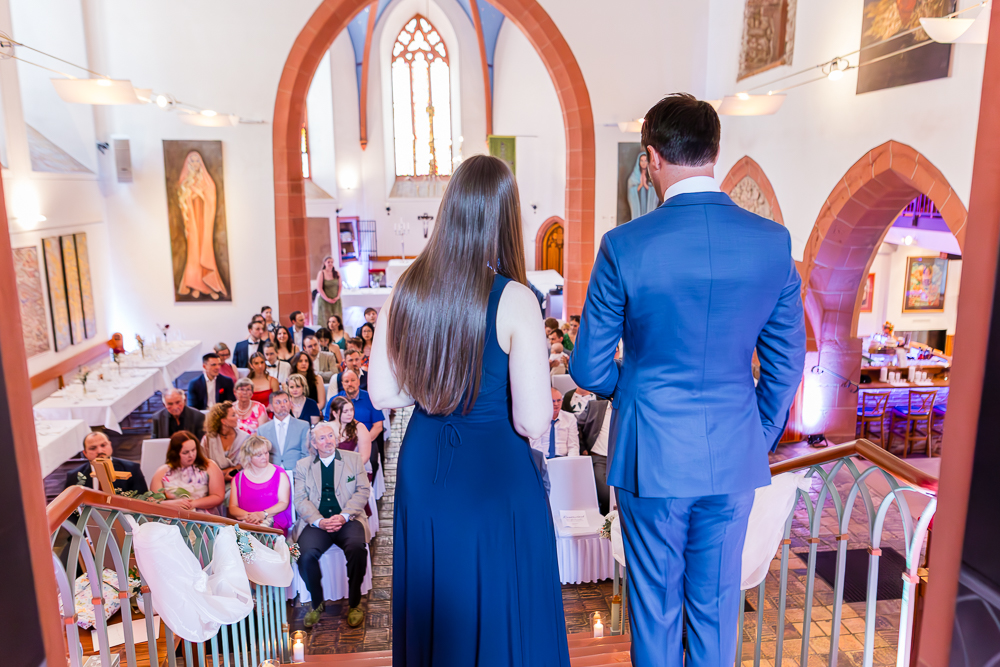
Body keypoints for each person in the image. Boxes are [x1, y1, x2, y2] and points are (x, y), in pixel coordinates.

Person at [570, 93, 806, 667]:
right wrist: (757, 431)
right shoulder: (772, 243)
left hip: (652, 457)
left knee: (655, 610)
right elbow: (786, 363)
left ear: (651, 158)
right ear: (714, 153)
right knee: (717, 607)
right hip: (732, 453)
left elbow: (589, 368)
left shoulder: (624, 246)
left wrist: (638, 390)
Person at [367, 154, 570, 665]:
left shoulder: (406, 289)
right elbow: (530, 420)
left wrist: (436, 390)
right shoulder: (516, 299)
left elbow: (384, 395)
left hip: (427, 465)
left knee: (439, 595)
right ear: (505, 217)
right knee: (502, 598)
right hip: (492, 470)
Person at [293, 422, 371, 629]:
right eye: (322, 438)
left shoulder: (353, 459)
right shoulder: (303, 466)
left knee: (357, 548)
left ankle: (355, 603)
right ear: (313, 443)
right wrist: (319, 521)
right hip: (318, 522)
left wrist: (344, 516)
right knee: (303, 554)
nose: (328, 441)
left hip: (348, 519)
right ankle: (317, 603)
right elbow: (300, 499)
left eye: (331, 436)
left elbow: (363, 491)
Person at [229, 435, 292, 535]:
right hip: (247, 525)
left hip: (274, 526)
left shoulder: (280, 474)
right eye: (259, 455)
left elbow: (284, 502)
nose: (264, 457)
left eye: (266, 453)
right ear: (248, 457)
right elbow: (232, 508)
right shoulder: (238, 478)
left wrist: (263, 515)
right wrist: (252, 517)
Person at [150, 431, 225, 514]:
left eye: (193, 450)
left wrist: (192, 504)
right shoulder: (162, 472)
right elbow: (153, 502)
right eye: (185, 452)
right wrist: (171, 504)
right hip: (172, 517)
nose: (191, 455)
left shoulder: (209, 466)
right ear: (175, 454)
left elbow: (218, 496)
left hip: (204, 516)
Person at [327, 368, 382, 478]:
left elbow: (378, 426)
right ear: (342, 383)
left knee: (373, 460)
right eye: (346, 381)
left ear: (358, 381)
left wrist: (362, 440)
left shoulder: (370, 398)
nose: (350, 384)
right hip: (340, 440)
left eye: (353, 380)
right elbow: (327, 422)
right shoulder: (334, 400)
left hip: (367, 438)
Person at [64, 432, 147, 494]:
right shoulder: (74, 476)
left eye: (103, 445)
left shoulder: (131, 469)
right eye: (93, 448)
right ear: (85, 453)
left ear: (110, 445)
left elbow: (142, 501)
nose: (99, 451)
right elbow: (69, 507)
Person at [257, 391, 310, 470]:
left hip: (296, 473)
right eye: (278, 402)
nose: (282, 405)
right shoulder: (262, 430)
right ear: (271, 407)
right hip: (271, 472)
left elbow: (306, 454)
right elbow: (260, 457)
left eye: (285, 401)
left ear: (290, 404)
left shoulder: (303, 426)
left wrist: (299, 473)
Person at [577, 398, 612, 515]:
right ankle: (607, 522)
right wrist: (583, 448)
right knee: (605, 495)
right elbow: (577, 424)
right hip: (599, 457)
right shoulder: (595, 406)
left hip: (622, 460)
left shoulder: (628, 409)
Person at [202, 401, 249, 481]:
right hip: (212, 479)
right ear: (224, 421)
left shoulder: (244, 438)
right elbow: (203, 464)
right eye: (233, 415)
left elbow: (244, 464)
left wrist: (233, 470)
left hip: (238, 479)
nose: (237, 417)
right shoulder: (208, 440)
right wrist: (222, 476)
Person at [529, 387, 580, 458]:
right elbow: (536, 447)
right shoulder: (537, 419)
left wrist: (571, 463)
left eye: (559, 400)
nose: (556, 404)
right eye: (552, 401)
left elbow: (573, 446)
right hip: (543, 458)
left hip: (564, 459)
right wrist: (544, 463)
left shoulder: (570, 418)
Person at [627, 150, 661, 221]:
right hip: (639, 203)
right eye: (641, 161)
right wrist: (640, 185)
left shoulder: (652, 176)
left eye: (645, 160)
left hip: (648, 203)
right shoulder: (634, 177)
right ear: (638, 162)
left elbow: (655, 191)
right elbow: (631, 190)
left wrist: (645, 185)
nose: (643, 163)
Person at [315, 255, 343, 327]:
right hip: (325, 300)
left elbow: (340, 286)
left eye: (332, 262)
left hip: (335, 299)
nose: (330, 263)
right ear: (324, 263)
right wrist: (327, 299)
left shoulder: (336, 273)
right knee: (326, 319)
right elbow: (319, 288)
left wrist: (337, 296)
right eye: (328, 262)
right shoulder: (321, 273)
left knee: (337, 318)